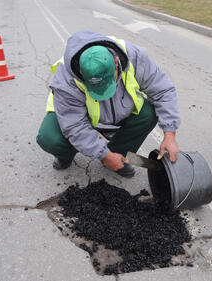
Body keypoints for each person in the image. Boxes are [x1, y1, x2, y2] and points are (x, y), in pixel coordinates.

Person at [36, 30, 180, 178]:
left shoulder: (133, 56)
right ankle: (66, 155)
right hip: (76, 116)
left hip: (120, 110)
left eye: (107, 84)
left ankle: (117, 155)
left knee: (148, 113)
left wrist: (170, 134)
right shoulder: (66, 80)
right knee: (49, 138)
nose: (104, 92)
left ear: (116, 62)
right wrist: (103, 153)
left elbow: (163, 90)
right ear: (80, 71)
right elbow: (74, 125)